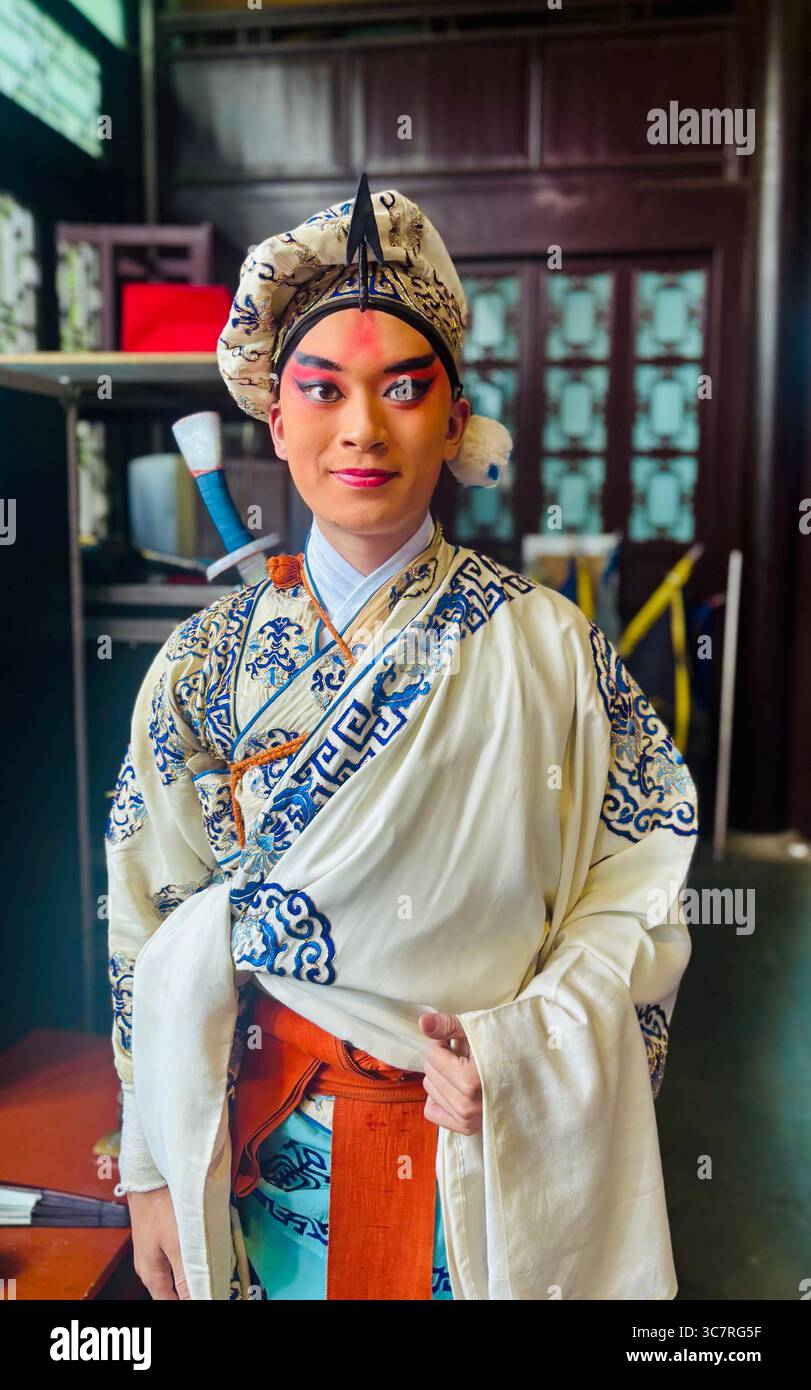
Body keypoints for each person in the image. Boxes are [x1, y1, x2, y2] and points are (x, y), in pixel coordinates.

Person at [105, 175, 699, 1301]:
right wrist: (145, 1166)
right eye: (322, 391)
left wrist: (529, 1055)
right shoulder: (202, 663)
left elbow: (641, 888)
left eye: (404, 389)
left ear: (456, 418)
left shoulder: (552, 646)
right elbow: (147, 915)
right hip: (256, 1150)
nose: (363, 430)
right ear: (275, 421)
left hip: (478, 1152)